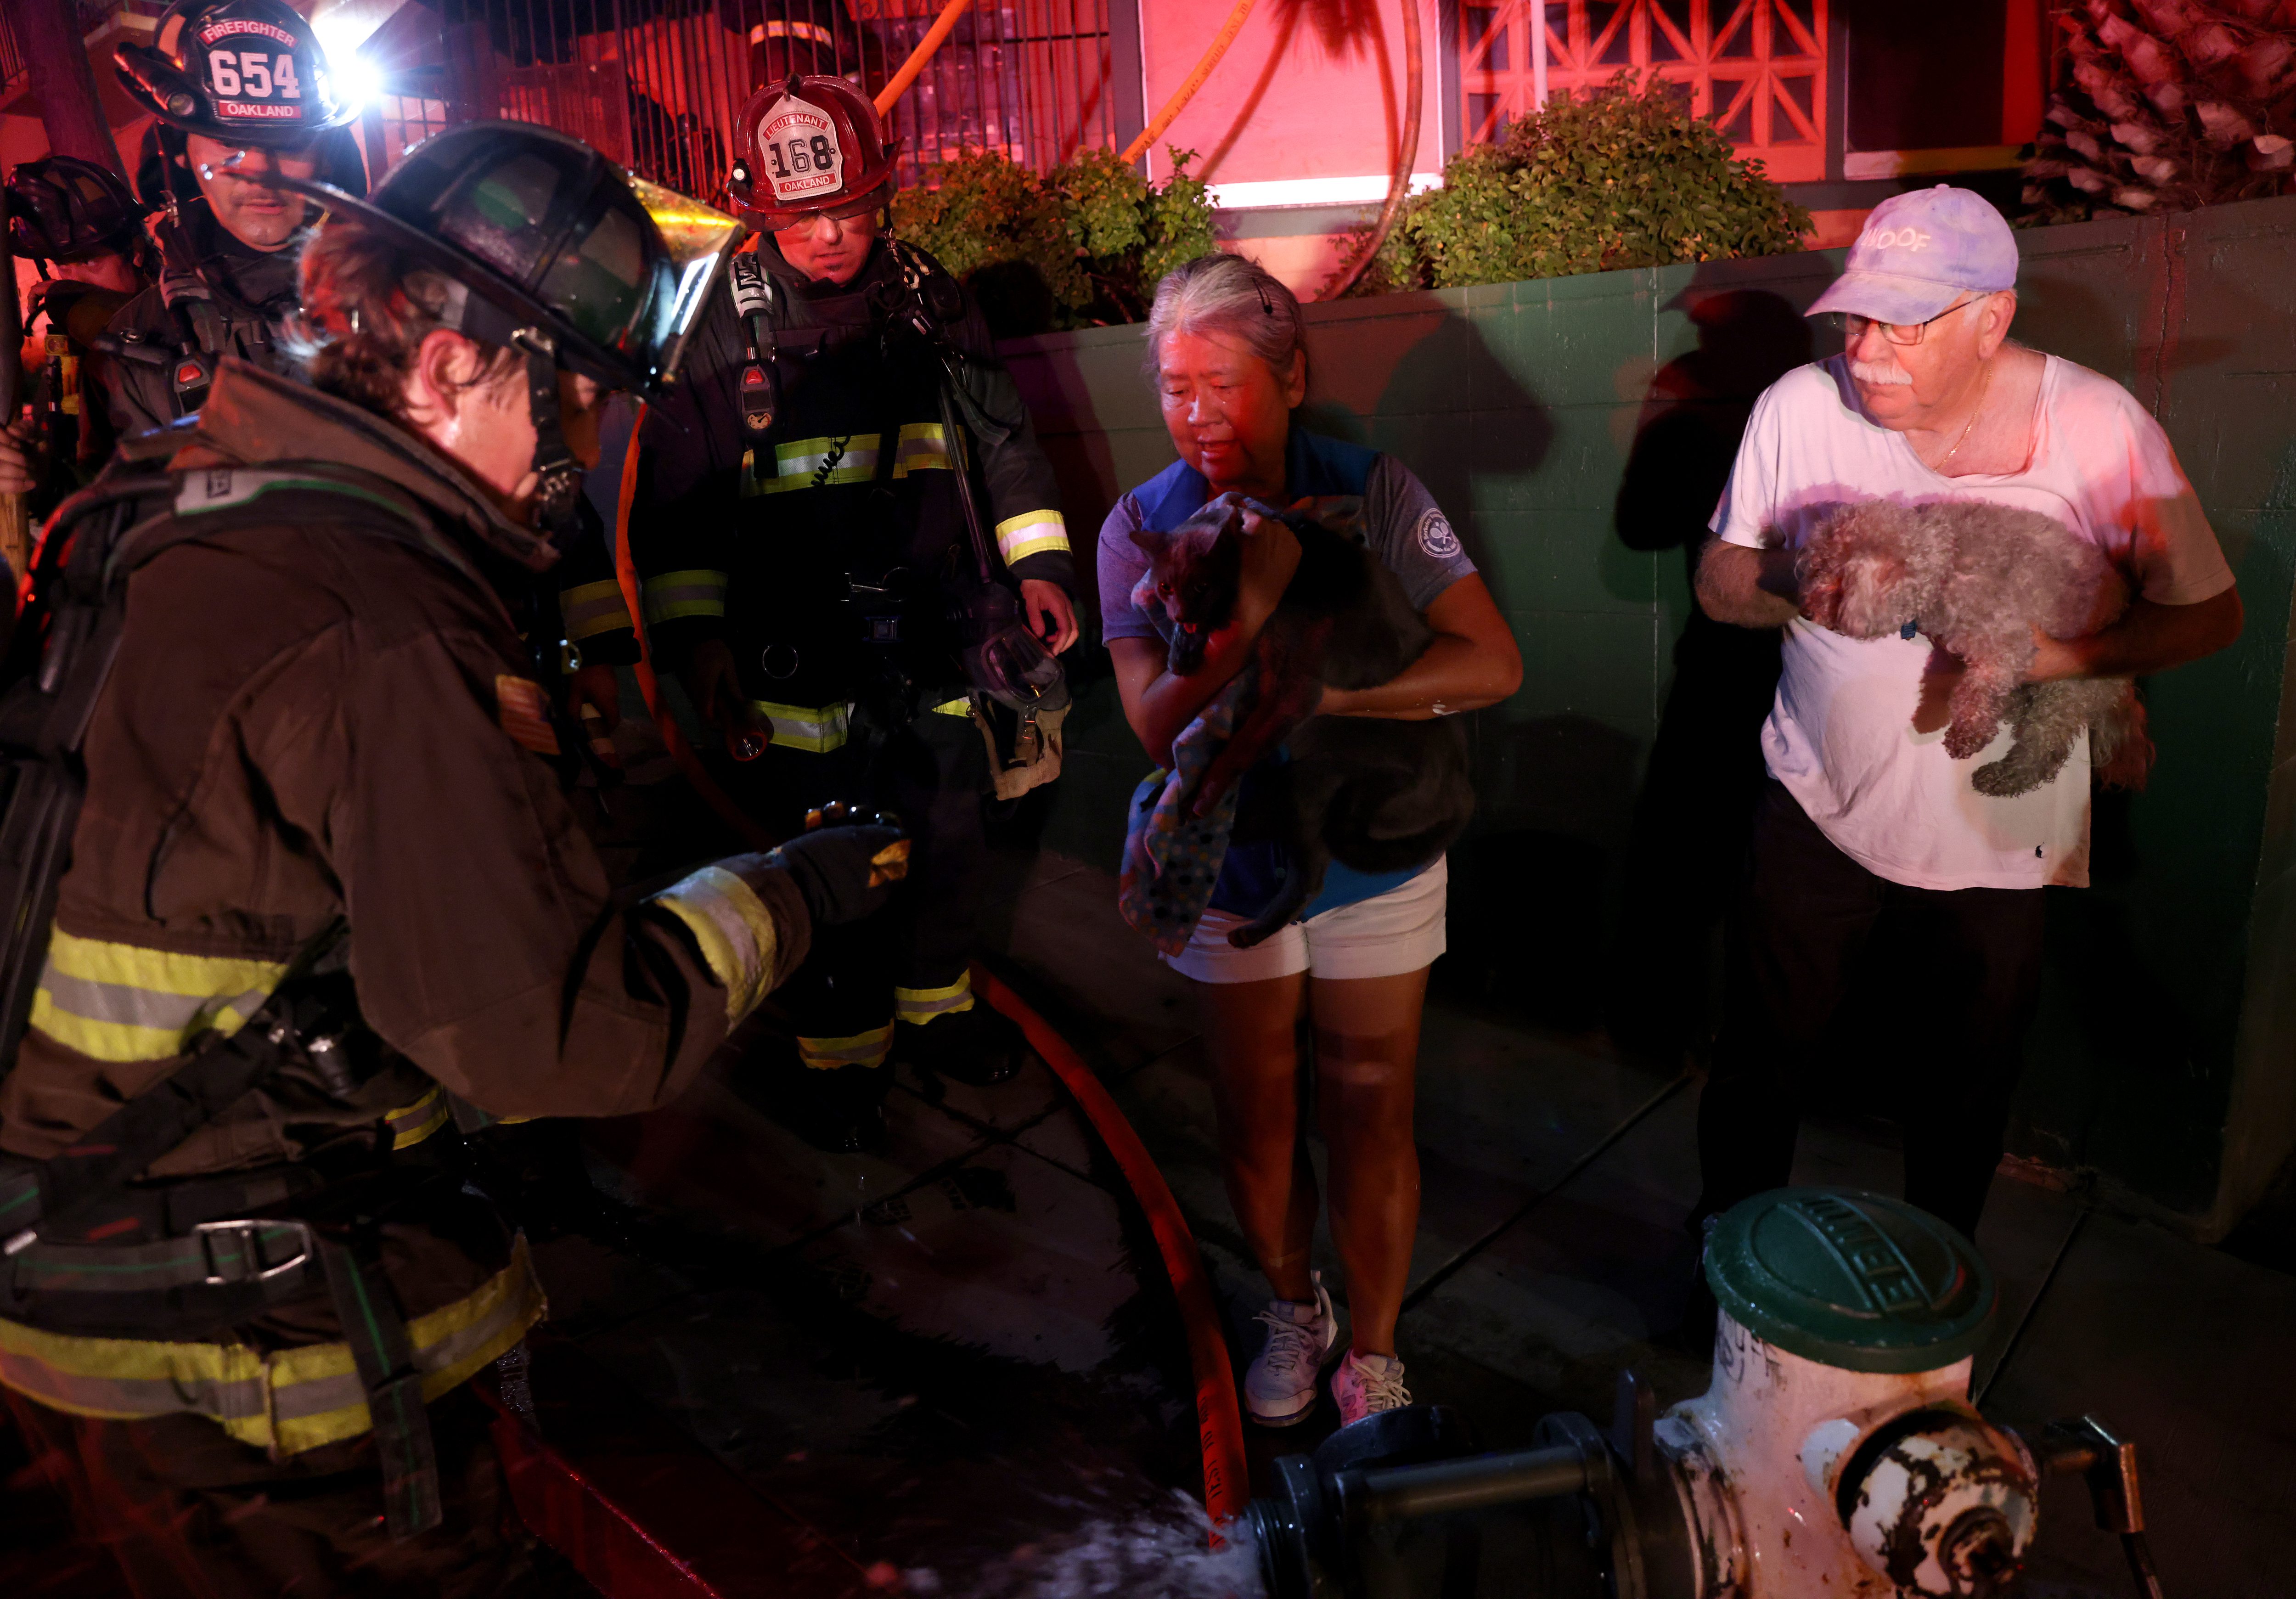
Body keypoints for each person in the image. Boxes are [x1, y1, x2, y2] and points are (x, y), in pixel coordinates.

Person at [0, 120, 906, 1594]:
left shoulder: (164, 502)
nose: (570, 465)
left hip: (80, 1291)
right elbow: (553, 1035)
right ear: (444, 369)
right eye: (560, 415)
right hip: (259, 1380)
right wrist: (789, 890)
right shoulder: (390, 623)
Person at [1694, 186, 2243, 1245]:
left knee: (1962, 1090)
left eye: (1904, 325)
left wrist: (2062, 656)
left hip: (2001, 838)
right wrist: (1811, 583)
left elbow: (2210, 614)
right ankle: (1725, 1269)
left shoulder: (2094, 424)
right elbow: (1719, 581)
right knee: (1759, 1060)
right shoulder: (1795, 409)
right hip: (1814, 800)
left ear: (1991, 318)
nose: (1866, 351)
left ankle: (1936, 1293)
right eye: (1857, 319)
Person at [1099, 254, 1521, 1429]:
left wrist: (1336, 702)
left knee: (1373, 1096)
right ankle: (1295, 1305)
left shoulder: (1376, 491)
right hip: (1226, 855)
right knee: (1256, 1106)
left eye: (1223, 384)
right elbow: (1149, 723)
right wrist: (1243, 616)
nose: (1197, 414)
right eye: (1176, 387)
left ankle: (1374, 1351)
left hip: (1376, 841)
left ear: (1291, 378)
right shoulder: (1139, 525)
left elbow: (1491, 660)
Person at [630, 74, 1079, 1151]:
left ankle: (935, 1009)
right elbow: (676, 511)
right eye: (805, 217)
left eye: (851, 209)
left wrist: (1041, 563)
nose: (832, 236)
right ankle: (839, 1050)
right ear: (765, 210)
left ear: (884, 197)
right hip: (792, 648)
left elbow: (1001, 441)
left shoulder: (928, 301)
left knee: (952, 826)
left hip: (934, 622)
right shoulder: (714, 332)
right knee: (818, 850)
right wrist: (699, 651)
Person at [101, 0, 370, 433]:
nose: (262, 171)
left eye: (290, 143)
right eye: (227, 142)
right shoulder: (133, 346)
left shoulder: (395, 300)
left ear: (327, 157)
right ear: (179, 153)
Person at [0, 156, 154, 513]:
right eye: (64, 265)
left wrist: (67, 301)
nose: (74, 278)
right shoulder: (70, 343)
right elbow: (94, 481)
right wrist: (37, 472)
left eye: (90, 262)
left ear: (135, 252)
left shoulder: (182, 324)